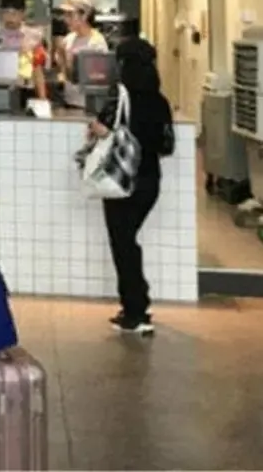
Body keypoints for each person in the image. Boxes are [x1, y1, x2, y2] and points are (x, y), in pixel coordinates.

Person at [87, 36, 173, 335]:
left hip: (122, 180)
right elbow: (166, 145)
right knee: (129, 242)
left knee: (123, 246)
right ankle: (137, 305)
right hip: (149, 181)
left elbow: (102, 129)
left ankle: (136, 311)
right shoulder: (160, 101)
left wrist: (97, 130)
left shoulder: (121, 98)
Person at [57, 0, 108, 109]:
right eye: (65, 15)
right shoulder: (69, 39)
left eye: (70, 15)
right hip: (69, 101)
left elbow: (95, 79)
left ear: (84, 15)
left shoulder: (96, 43)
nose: (66, 19)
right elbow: (64, 72)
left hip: (87, 105)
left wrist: (65, 57)